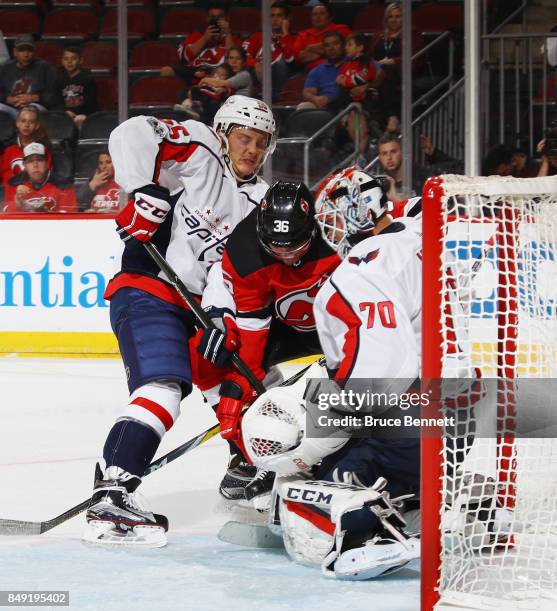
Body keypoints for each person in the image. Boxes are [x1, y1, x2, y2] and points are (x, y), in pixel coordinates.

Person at [82, 95, 276, 548]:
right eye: (244, 138)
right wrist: (142, 190)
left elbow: (233, 269)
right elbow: (132, 132)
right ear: (225, 134)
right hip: (149, 288)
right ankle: (114, 490)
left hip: (197, 307)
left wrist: (221, 313)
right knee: (164, 388)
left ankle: (245, 467)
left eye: (261, 143)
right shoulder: (203, 150)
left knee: (237, 380)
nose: (251, 149)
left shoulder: (260, 202)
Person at [237, 168, 424, 579]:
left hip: (415, 424)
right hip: (462, 414)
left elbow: (381, 376)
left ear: (354, 212)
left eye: (333, 218)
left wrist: (317, 425)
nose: (329, 231)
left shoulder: (359, 268)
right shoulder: (417, 232)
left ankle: (362, 538)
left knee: (318, 471)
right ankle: (447, 503)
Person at [160, 3, 239, 90]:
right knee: (166, 71)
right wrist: (204, 39)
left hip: (219, 77)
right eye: (213, 17)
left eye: (220, 17)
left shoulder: (233, 38)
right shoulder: (197, 36)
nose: (216, 20)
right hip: (195, 74)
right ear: (207, 19)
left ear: (226, 19)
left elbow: (233, 62)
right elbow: (183, 58)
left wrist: (227, 34)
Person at [370, 3, 423, 132]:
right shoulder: (378, 36)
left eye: (398, 16)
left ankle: (392, 116)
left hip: (403, 71)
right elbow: (369, 57)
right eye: (390, 16)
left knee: (389, 71)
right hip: (379, 71)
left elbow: (413, 57)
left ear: (404, 18)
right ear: (386, 19)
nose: (394, 20)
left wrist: (392, 61)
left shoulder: (412, 33)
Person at [378, 133, 461, 199]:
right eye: (384, 153)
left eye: (393, 151)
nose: (389, 157)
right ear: (380, 157)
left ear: (402, 153)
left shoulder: (421, 176)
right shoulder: (380, 185)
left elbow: (456, 169)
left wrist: (434, 153)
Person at [3, 142, 77, 213]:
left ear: (47, 163)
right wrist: (17, 203)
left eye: (39, 160)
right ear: (24, 165)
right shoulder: (14, 184)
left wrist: (45, 212)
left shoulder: (63, 185)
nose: (35, 165)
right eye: (30, 161)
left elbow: (69, 216)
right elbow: (5, 215)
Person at [243, 1, 295, 101]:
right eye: (272, 15)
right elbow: (244, 55)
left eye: (279, 16)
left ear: (286, 19)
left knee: (281, 65)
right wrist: (255, 64)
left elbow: (290, 60)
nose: (275, 19)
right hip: (257, 73)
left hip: (276, 76)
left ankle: (274, 98)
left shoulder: (292, 38)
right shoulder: (258, 36)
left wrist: (285, 34)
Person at [0, 35, 59, 119]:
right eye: (21, 50)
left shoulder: (44, 67)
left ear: (34, 52)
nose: (26, 54)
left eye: (29, 50)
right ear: (15, 52)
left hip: (34, 107)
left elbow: (54, 94)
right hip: (11, 108)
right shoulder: (5, 68)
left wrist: (35, 98)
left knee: (31, 110)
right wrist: (7, 99)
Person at [1, 105, 53, 191]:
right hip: (11, 193)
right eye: (23, 121)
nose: (27, 125)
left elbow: (46, 176)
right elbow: (5, 175)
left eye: (31, 122)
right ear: (17, 123)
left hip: (37, 192)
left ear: (37, 125)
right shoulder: (8, 148)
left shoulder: (43, 149)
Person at [293, 2, 350, 73]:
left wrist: (309, 48)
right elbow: (298, 58)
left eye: (322, 13)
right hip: (310, 73)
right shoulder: (303, 35)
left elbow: (342, 50)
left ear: (330, 17)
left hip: (338, 69)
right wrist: (325, 53)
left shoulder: (341, 29)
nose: (318, 17)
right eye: (314, 14)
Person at [297, 31, 345, 111]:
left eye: (336, 44)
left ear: (343, 46)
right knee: (303, 107)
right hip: (324, 106)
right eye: (327, 46)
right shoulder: (317, 70)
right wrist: (315, 98)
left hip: (346, 105)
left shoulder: (355, 63)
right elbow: (308, 92)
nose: (331, 48)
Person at [56, 46, 98, 130]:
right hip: (65, 114)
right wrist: (64, 111)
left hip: (84, 114)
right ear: (62, 61)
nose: (69, 62)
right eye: (66, 59)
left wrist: (81, 114)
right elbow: (56, 100)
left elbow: (91, 101)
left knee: (80, 121)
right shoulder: (59, 79)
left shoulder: (88, 79)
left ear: (80, 60)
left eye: (73, 58)